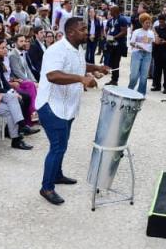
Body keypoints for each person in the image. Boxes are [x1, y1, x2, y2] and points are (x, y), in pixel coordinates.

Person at [36, 16, 110, 205]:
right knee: (57, 147)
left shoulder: (78, 49)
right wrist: (81, 79)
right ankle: (47, 187)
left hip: (67, 106)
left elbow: (81, 65)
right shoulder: (56, 50)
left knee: (63, 145)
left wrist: (96, 68)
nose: (87, 32)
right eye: (83, 29)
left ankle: (57, 175)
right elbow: (52, 75)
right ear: (70, 32)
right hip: (52, 106)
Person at [127, 13, 154, 95]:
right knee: (134, 74)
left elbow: (154, 43)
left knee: (144, 75)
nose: (148, 24)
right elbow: (131, 43)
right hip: (137, 53)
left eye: (149, 23)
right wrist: (137, 46)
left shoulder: (151, 33)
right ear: (142, 23)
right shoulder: (136, 32)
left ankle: (141, 93)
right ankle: (129, 91)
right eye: (146, 23)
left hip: (147, 55)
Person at [150, 14, 166, 94]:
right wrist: (156, 40)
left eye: (162, 22)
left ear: (165, 21)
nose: (161, 23)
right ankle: (157, 86)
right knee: (157, 70)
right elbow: (152, 38)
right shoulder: (156, 28)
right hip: (157, 52)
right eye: (160, 22)